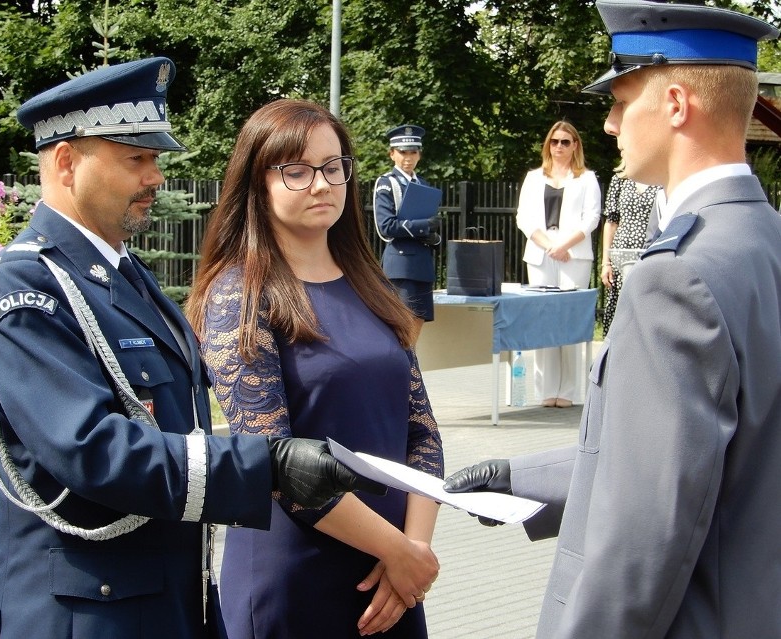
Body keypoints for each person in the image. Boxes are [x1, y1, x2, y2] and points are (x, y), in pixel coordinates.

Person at [0, 58, 383, 639]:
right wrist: (268, 464)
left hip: (160, 605)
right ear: (66, 162)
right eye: (135, 159)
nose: (156, 178)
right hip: (78, 615)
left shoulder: (129, 280)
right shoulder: (30, 287)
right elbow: (92, 448)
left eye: (156, 159)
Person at [444, 1, 781, 637]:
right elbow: (699, 459)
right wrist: (518, 477)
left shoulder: (674, 277)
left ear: (676, 104)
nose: (610, 123)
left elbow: (644, 534)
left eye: (622, 100)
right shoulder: (764, 242)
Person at [184, 100, 444, 638]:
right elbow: (275, 462)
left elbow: (422, 434)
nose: (321, 184)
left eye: (333, 167)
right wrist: (398, 551)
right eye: (297, 171)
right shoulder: (240, 294)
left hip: (387, 581)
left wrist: (413, 551)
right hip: (295, 576)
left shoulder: (371, 286)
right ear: (258, 183)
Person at [515, 121, 601, 408]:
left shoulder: (587, 178)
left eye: (566, 141)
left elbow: (591, 218)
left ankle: (570, 390)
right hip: (541, 254)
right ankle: (546, 389)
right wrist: (549, 245)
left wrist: (564, 245)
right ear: (548, 145)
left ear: (575, 145)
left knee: (570, 321)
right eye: (555, 141)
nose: (560, 147)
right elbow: (523, 218)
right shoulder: (533, 177)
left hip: (573, 255)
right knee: (544, 322)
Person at [373, 124, 442, 342]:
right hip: (400, 266)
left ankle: (410, 373)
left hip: (422, 264)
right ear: (392, 153)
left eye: (413, 152)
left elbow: (427, 226)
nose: (408, 158)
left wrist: (433, 235)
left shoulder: (422, 184)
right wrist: (423, 226)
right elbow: (385, 227)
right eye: (403, 152)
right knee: (401, 329)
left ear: (419, 154)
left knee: (417, 327)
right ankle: (402, 374)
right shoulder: (387, 183)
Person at [599, 162, 661, 335]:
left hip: (649, 250)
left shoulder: (661, 179)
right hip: (621, 254)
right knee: (621, 309)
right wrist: (606, 263)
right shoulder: (619, 180)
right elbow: (611, 223)